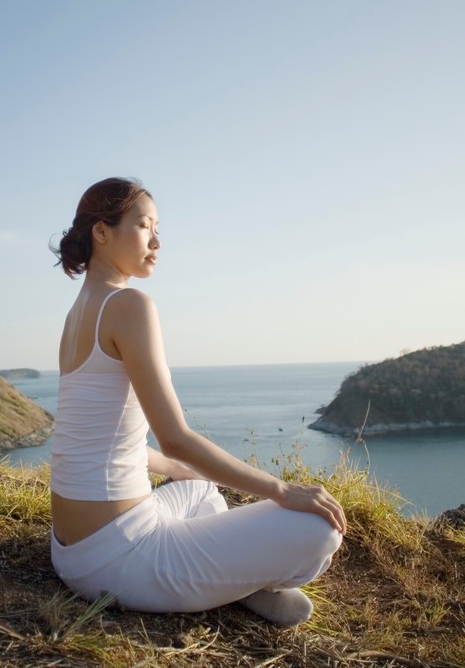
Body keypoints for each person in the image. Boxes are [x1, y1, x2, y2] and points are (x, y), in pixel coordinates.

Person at [49, 177, 345, 626]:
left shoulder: (78, 314)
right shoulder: (129, 305)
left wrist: (181, 471)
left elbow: (103, 440)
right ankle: (235, 582)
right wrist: (284, 490)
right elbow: (176, 439)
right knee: (319, 528)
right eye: (145, 226)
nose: (157, 241)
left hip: (70, 553)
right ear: (102, 232)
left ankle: (231, 582)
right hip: (120, 560)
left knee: (201, 488)